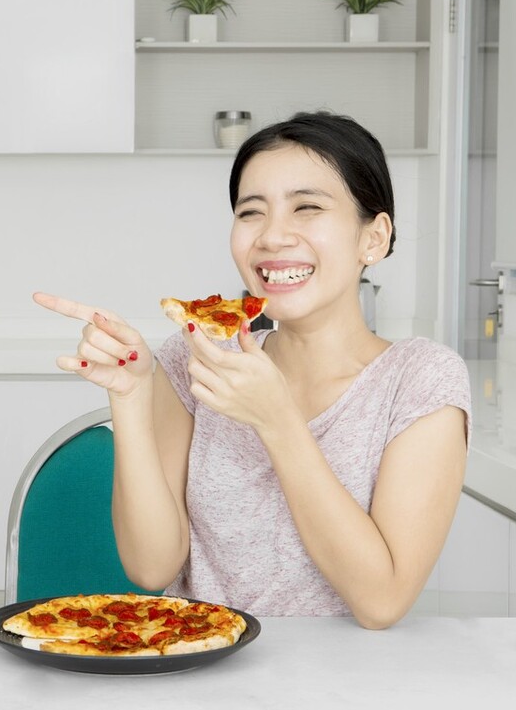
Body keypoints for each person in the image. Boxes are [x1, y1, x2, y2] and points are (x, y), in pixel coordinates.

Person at [35, 111, 469, 629]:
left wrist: (277, 420)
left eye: (307, 207)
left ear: (372, 238)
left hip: (350, 683)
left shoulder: (422, 380)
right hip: (200, 658)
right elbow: (152, 568)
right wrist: (131, 396)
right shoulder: (197, 356)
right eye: (251, 212)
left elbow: (381, 604)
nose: (272, 237)